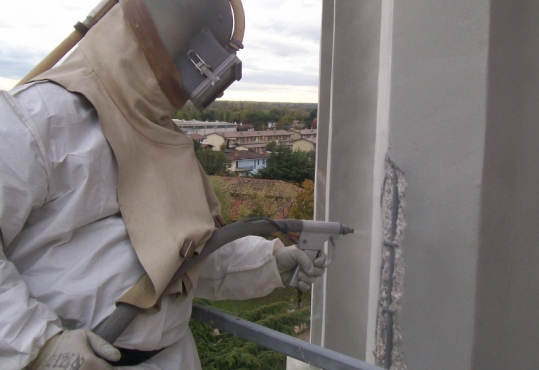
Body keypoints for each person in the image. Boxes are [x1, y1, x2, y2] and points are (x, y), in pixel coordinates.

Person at [0, 1, 324, 369]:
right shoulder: (36, 117)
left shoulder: (165, 141)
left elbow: (185, 257)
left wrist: (269, 264)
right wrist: (37, 345)